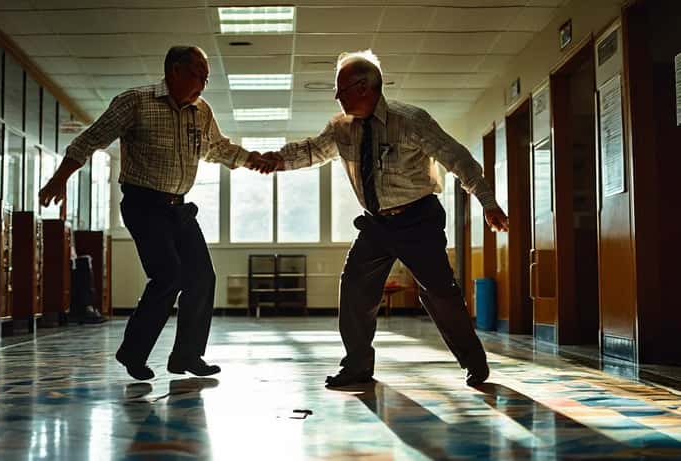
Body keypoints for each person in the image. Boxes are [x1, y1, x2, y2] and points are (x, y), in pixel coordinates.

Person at [260, 50, 509, 388]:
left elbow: (457, 158)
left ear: (365, 87)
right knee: (355, 288)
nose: (337, 97)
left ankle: (474, 362)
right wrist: (276, 160)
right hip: (376, 223)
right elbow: (312, 150)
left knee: (439, 293)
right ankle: (358, 366)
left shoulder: (410, 120)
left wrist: (487, 202)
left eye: (342, 89)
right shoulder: (341, 128)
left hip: (418, 218)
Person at [39, 46, 273, 381]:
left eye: (207, 79)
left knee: (202, 277)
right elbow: (91, 139)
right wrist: (59, 178)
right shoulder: (136, 101)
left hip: (178, 207)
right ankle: (133, 353)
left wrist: (254, 159)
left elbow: (218, 148)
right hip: (143, 204)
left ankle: (187, 356)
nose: (203, 86)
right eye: (198, 76)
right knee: (168, 276)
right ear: (174, 71)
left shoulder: (201, 111)